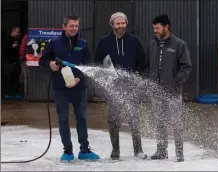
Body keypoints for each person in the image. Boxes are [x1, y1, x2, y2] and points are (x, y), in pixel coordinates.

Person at [39, 15, 100, 162]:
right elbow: (42, 60)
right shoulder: (54, 43)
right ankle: (67, 152)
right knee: (63, 119)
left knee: (82, 118)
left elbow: (89, 66)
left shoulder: (83, 44)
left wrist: (79, 79)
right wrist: (50, 64)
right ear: (64, 26)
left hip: (79, 87)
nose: (74, 29)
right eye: (71, 26)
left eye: (76, 26)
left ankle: (84, 150)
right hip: (61, 88)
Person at [94, 12, 147, 160]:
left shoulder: (134, 41)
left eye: (123, 23)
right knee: (113, 118)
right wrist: (106, 77)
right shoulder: (104, 42)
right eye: (117, 23)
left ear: (126, 24)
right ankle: (115, 149)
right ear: (112, 24)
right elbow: (97, 62)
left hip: (131, 87)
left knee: (134, 118)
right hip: (113, 87)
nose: (120, 26)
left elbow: (142, 63)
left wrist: (136, 76)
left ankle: (138, 149)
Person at [146, 14, 192, 162]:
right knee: (160, 122)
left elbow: (186, 67)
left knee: (176, 123)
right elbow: (149, 66)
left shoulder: (179, 44)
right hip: (156, 91)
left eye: (158, 28)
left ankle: (179, 153)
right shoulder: (152, 44)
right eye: (154, 28)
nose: (155, 31)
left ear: (167, 27)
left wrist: (175, 82)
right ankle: (161, 151)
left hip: (172, 92)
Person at [2, 26, 21, 98]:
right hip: (8, 62)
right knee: (8, 78)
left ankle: (15, 93)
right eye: (17, 32)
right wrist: (12, 46)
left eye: (19, 32)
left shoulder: (16, 39)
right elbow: (5, 48)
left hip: (15, 62)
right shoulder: (7, 38)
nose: (18, 34)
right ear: (13, 31)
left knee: (15, 78)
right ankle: (7, 93)